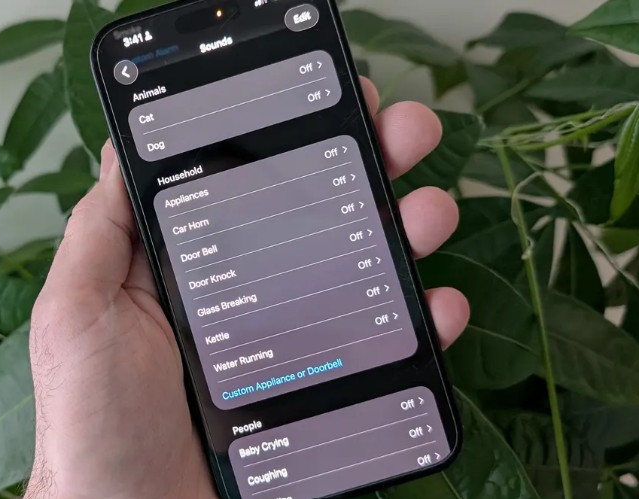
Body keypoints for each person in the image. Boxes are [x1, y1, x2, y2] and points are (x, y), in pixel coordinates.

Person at [26, 79, 471, 499]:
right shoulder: (188, 406)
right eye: (203, 236)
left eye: (250, 229)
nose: (228, 256)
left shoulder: (371, 357)